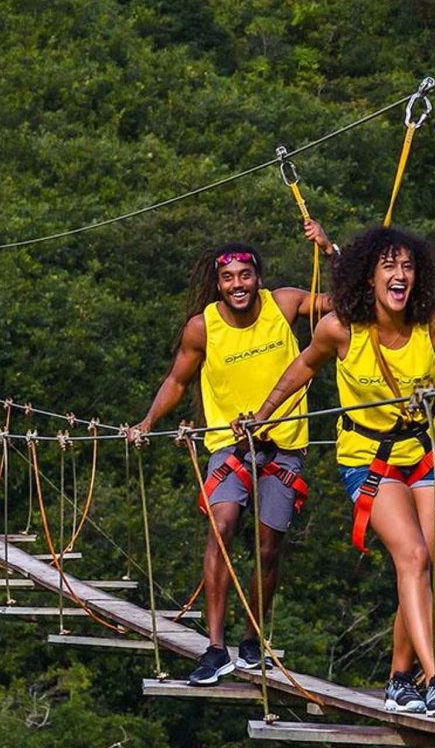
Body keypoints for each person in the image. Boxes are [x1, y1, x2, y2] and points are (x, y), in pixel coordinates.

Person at [237, 226, 435, 717]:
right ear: (369, 277)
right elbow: (302, 369)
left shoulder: (432, 325)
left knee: (422, 568)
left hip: (432, 449)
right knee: (411, 556)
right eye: (389, 266)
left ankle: (397, 678)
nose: (400, 275)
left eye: (408, 267)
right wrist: (262, 417)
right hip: (369, 459)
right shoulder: (341, 328)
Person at [129, 220, 337, 686]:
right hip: (229, 446)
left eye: (245, 275)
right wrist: (147, 423)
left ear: (257, 278)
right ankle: (216, 647)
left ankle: (252, 640)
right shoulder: (203, 327)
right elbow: (178, 381)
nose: (238, 285)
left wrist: (331, 249)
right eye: (229, 278)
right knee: (221, 528)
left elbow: (343, 306)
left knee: (268, 547)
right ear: (218, 283)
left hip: (283, 447)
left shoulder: (283, 305)